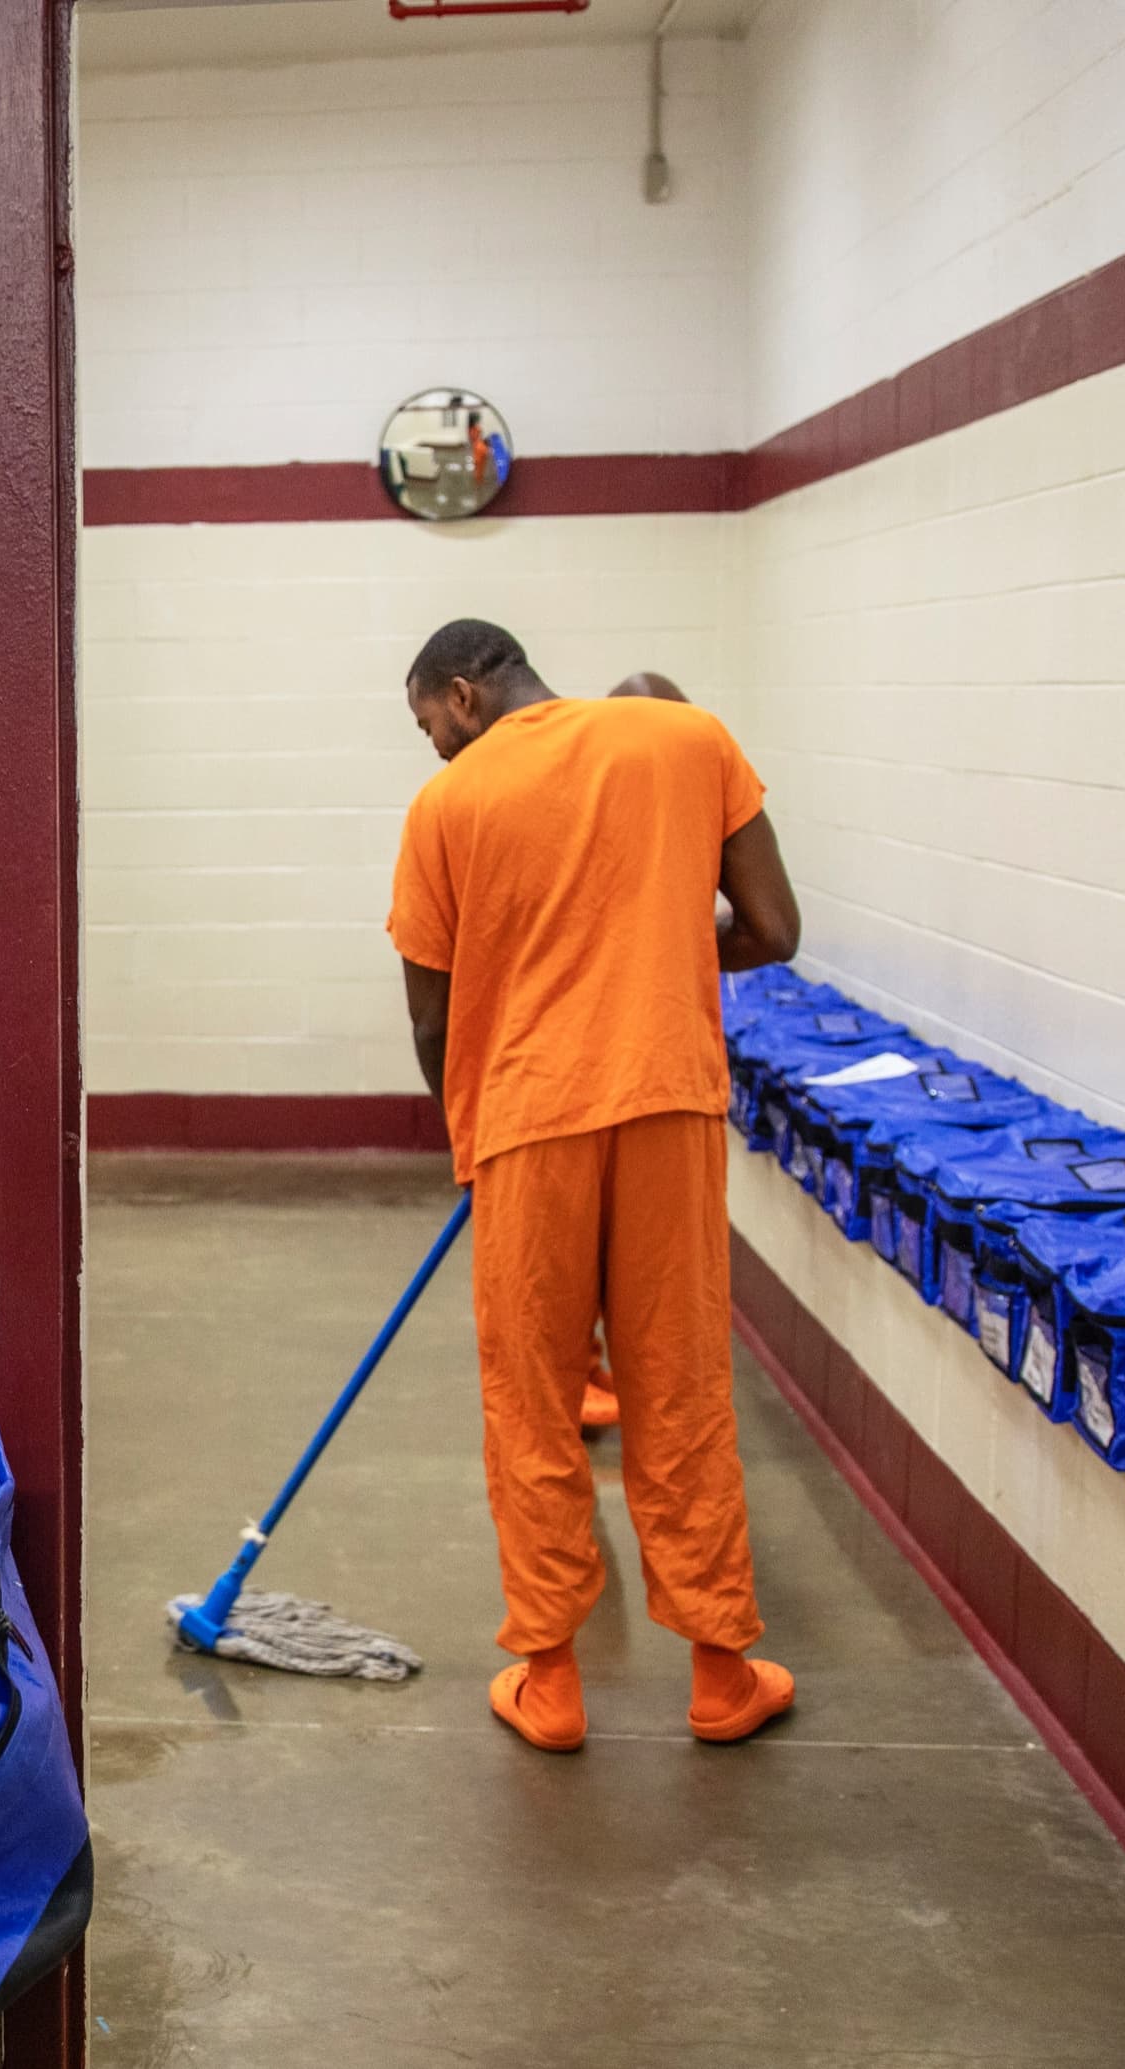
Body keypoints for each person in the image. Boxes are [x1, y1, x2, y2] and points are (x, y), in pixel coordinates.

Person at [389, 618, 803, 1754]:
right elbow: (772, 928)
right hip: (669, 1101)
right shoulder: (686, 738)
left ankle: (552, 1677)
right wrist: (657, 935)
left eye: (429, 726)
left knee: (532, 1398)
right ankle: (722, 1673)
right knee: (680, 1384)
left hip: (527, 1119)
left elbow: (430, 1014)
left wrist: (468, 1137)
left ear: (462, 695)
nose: (433, 750)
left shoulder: (447, 806)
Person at [573, 667, 690, 1435]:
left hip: (641, 1078)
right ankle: (582, 1375)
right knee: (575, 1266)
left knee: (633, 1271)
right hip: (581, 1083)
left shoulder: (674, 805)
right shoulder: (589, 812)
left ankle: (597, 1372)